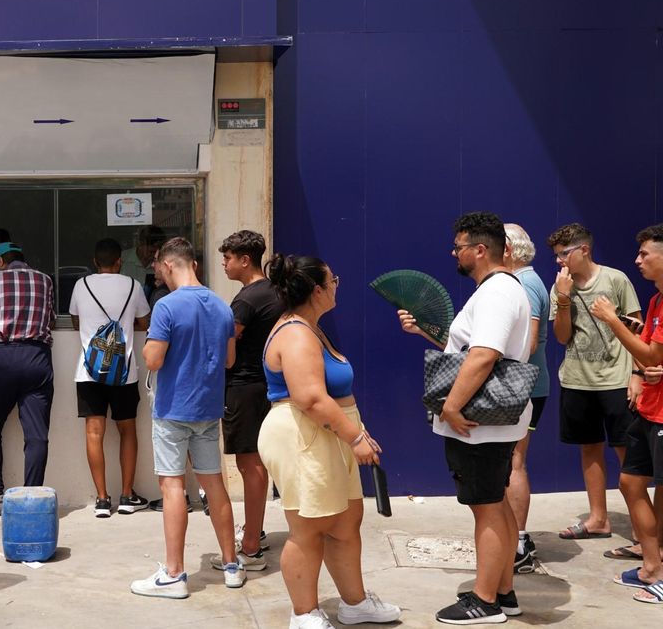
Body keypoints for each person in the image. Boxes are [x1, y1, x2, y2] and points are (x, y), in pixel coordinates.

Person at [399, 212, 532, 623]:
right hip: (494, 421)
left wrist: (451, 406)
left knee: (487, 507)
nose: (453, 253)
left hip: (479, 422)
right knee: (497, 504)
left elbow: (484, 354)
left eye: (458, 246)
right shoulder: (503, 289)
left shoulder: (495, 292)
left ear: (480, 249)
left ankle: (485, 600)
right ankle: (503, 590)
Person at [259, 254, 399, 628]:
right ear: (318, 289)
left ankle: (354, 603)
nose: (338, 284)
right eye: (333, 279)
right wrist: (354, 436)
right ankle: (303, 614)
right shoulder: (295, 333)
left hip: (327, 434)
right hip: (303, 436)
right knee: (309, 528)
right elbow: (311, 398)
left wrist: (356, 431)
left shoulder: (309, 326)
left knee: (346, 520)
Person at [130, 237, 242, 599]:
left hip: (173, 409)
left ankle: (175, 574)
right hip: (208, 409)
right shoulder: (223, 307)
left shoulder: (166, 306)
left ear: (167, 265)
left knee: (173, 486)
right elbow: (228, 361)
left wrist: (152, 343)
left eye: (159, 268)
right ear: (193, 263)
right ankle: (231, 565)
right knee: (214, 486)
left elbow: (153, 359)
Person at [547, 222, 641, 542]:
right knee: (589, 448)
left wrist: (637, 375)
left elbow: (638, 329)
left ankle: (644, 530)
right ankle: (598, 518)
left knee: (627, 451)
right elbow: (562, 337)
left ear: (583, 250)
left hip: (616, 378)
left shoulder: (616, 279)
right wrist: (562, 298)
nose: (559, 261)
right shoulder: (561, 287)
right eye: (556, 255)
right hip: (577, 379)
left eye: (563, 254)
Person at [588, 224, 663, 602]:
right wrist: (638, 373)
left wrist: (612, 320)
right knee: (632, 483)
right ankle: (653, 565)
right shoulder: (654, 302)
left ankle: (658, 571)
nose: (637, 261)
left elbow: (653, 354)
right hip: (650, 410)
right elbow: (648, 351)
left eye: (645, 254)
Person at [0, 242, 56, 513]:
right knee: (37, 435)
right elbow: (51, 319)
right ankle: (32, 499)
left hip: (1, 357)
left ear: (0, 262)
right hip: (37, 358)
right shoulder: (45, 279)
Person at [69, 238, 151, 518]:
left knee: (94, 433)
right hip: (124, 372)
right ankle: (127, 496)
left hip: (88, 370)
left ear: (95, 262)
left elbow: (75, 321)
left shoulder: (81, 285)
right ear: (119, 262)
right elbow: (144, 322)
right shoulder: (133, 285)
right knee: (127, 431)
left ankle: (102, 500)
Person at [219, 229, 283, 564]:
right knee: (255, 462)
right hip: (266, 386)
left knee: (249, 463)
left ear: (246, 260)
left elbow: (227, 347)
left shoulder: (246, 300)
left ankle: (251, 547)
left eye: (228, 258)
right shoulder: (275, 291)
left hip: (243, 386)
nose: (224, 264)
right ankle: (254, 532)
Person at [503, 224, 551, 573]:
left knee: (514, 463)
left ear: (508, 250)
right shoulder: (524, 281)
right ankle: (513, 537)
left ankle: (518, 541)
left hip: (524, 387)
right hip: (524, 385)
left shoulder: (524, 284)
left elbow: (529, 343)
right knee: (510, 462)